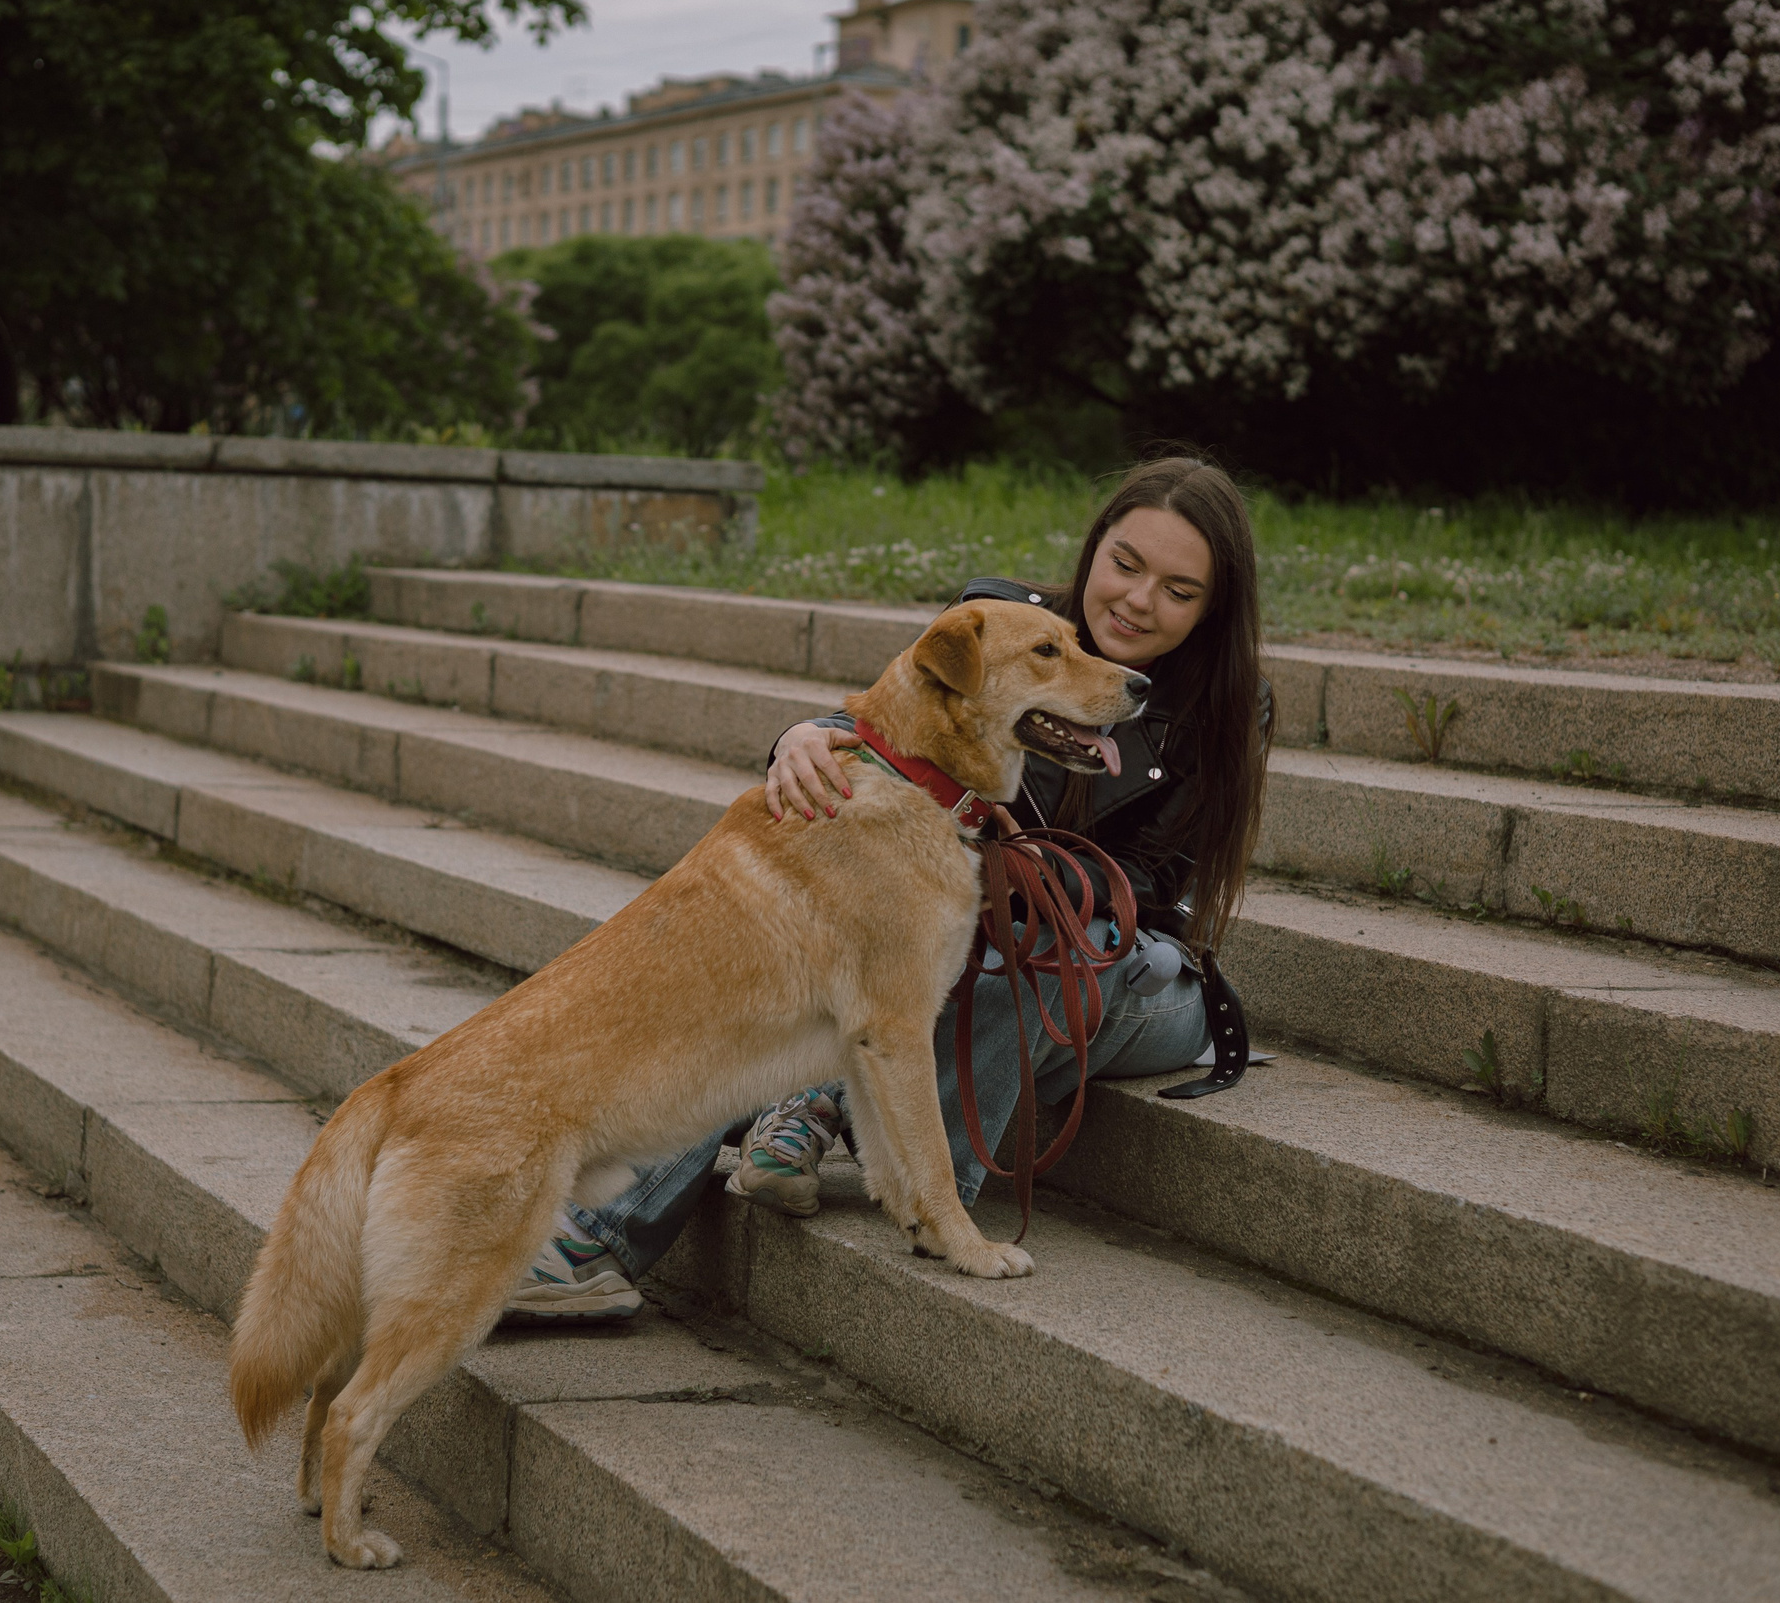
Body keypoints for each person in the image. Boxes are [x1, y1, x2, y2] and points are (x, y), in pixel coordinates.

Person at [502, 455, 1273, 1321]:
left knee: (1017, 953)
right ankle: (603, 1238)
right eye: (1125, 564)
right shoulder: (1002, 619)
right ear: (1095, 549)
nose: (1137, 600)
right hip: (962, 930)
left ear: (1213, 605)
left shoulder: (1224, 704)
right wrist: (809, 733)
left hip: (1131, 973)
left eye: (1178, 589)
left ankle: (873, 1149)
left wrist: (1027, 865)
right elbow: (894, 724)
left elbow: (1149, 882)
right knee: (779, 961)